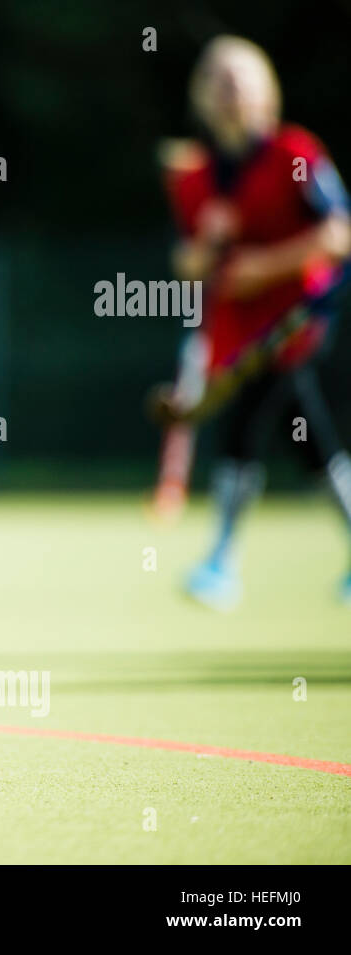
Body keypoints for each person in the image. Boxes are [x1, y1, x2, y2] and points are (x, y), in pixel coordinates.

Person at [163, 36, 351, 610]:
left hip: (297, 319)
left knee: (249, 424)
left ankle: (221, 562)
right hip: (236, 331)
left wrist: (263, 268)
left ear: (263, 87)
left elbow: (338, 234)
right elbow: (187, 264)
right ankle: (223, 562)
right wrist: (207, 248)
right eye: (219, 79)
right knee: (309, 440)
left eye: (241, 77)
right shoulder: (194, 175)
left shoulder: (296, 152)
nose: (230, 89)